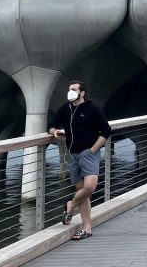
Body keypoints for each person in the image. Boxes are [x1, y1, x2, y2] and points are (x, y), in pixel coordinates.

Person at [48, 80, 111, 241]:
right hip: (73, 154)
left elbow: (106, 130)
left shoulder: (92, 109)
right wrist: (55, 132)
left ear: (82, 93)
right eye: (69, 89)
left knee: (89, 187)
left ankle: (70, 206)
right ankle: (87, 229)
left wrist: (93, 150)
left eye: (74, 89)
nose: (70, 92)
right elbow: (51, 125)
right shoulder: (64, 109)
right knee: (83, 194)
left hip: (88, 153)